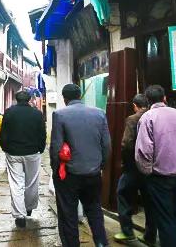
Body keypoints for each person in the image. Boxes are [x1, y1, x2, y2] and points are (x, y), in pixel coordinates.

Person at [135, 85, 176, 247]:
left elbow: (144, 151)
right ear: (164, 98)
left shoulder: (148, 118)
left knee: (164, 218)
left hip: (160, 176)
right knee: (175, 217)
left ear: (148, 101)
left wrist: (147, 172)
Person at [50, 84, 111, 247]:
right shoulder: (99, 113)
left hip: (69, 174)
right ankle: (101, 243)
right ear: (80, 96)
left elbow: (56, 147)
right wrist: (101, 165)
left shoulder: (59, 115)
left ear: (64, 98)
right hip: (93, 173)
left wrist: (55, 171)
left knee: (68, 214)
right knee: (95, 210)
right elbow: (106, 144)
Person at [0, 90, 46, 228]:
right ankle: (29, 208)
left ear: (16, 99)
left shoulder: (9, 112)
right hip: (32, 152)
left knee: (16, 183)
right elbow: (42, 134)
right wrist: (41, 148)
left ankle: (19, 214)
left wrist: (5, 148)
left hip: (14, 153)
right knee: (31, 182)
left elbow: (3, 133)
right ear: (29, 99)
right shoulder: (37, 114)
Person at [114, 94, 156, 245]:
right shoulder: (155, 117)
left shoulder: (133, 119)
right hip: (152, 168)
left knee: (122, 193)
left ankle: (127, 231)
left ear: (135, 105)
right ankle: (150, 236)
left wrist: (127, 164)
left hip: (134, 168)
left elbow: (127, 144)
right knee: (150, 200)